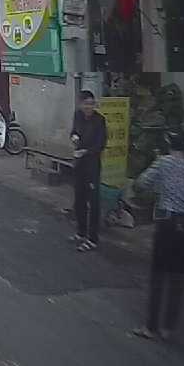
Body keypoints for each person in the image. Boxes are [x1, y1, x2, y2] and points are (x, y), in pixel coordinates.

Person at [131, 131, 184, 340]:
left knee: (158, 276)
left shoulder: (163, 163)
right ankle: (168, 328)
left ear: (169, 145)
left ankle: (151, 327)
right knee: (177, 279)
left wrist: (158, 188)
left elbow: (141, 183)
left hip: (167, 224)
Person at [70, 90, 107, 252]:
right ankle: (81, 232)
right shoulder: (77, 116)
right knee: (79, 199)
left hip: (92, 164)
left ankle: (92, 238)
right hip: (79, 164)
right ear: (80, 104)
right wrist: (74, 138)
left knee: (93, 202)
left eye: (92, 104)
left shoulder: (100, 120)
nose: (89, 107)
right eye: (86, 104)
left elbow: (101, 144)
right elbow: (73, 132)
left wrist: (85, 151)